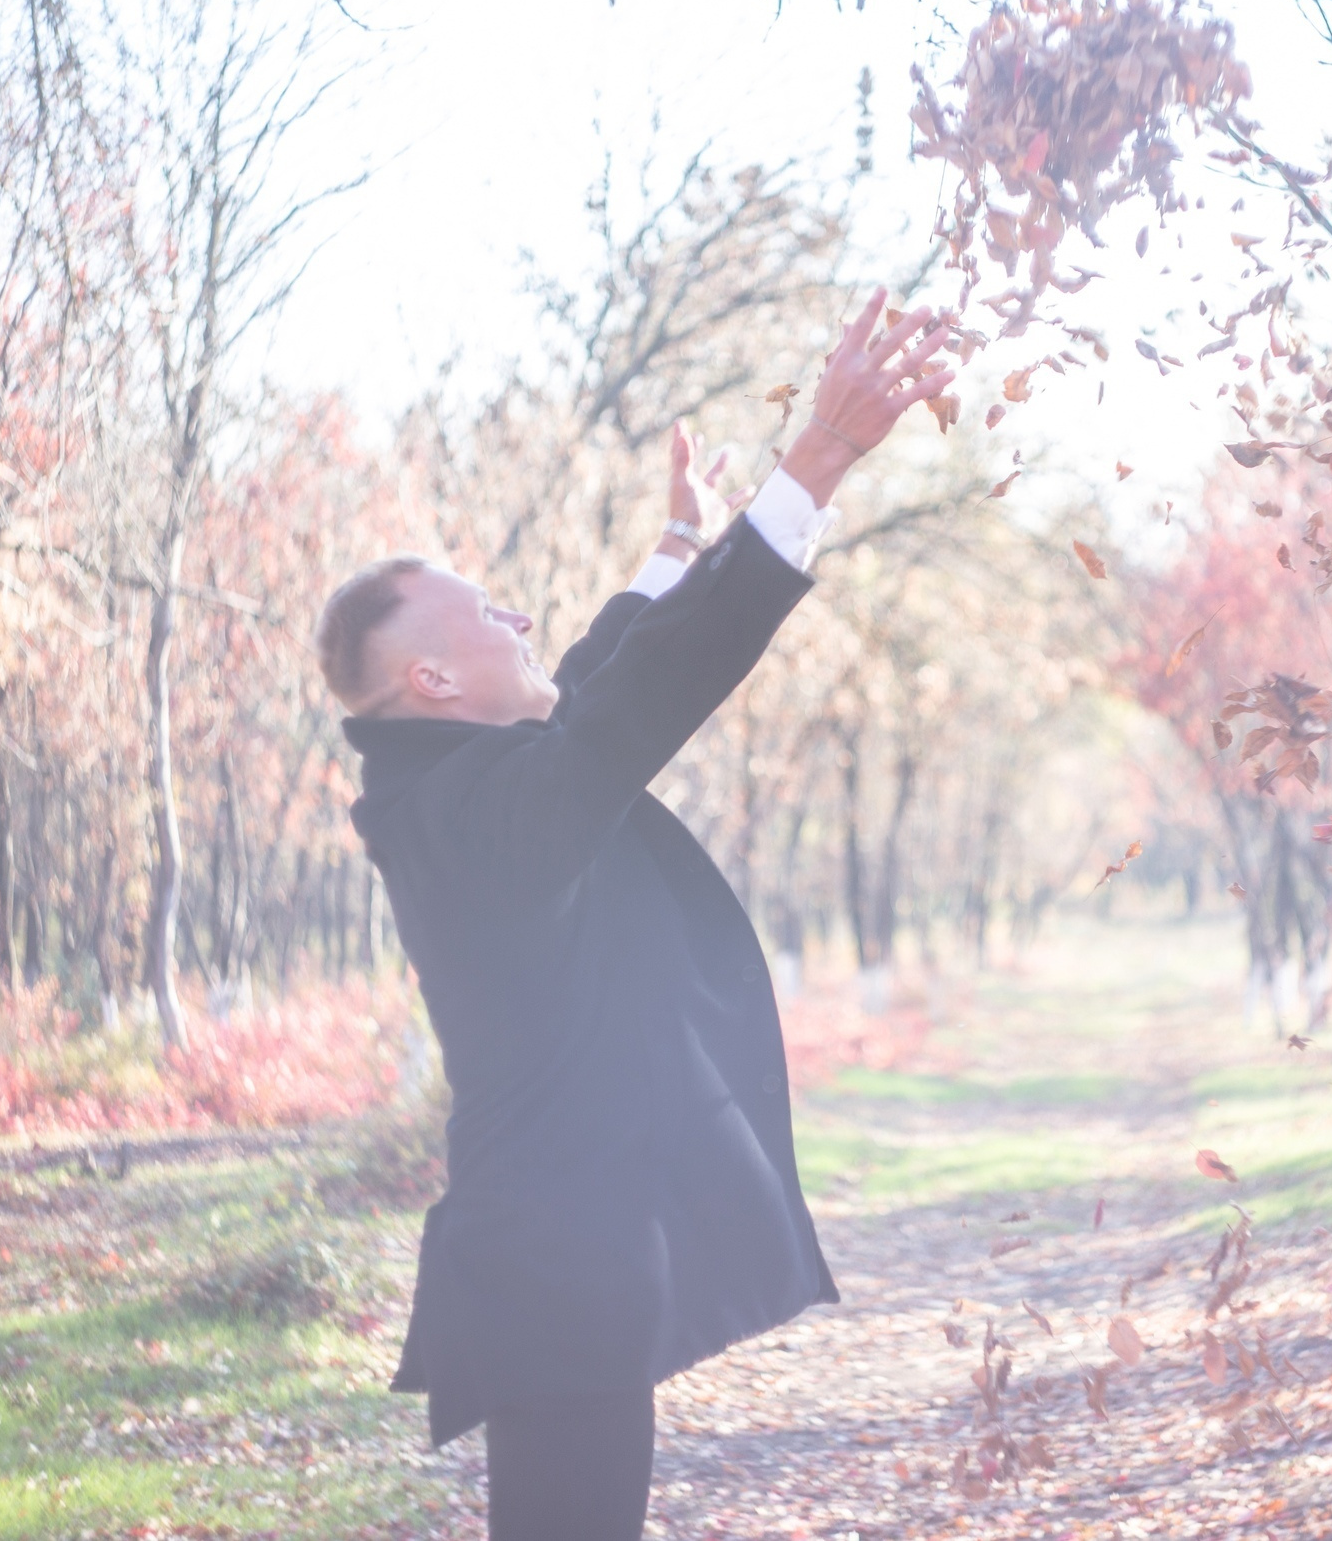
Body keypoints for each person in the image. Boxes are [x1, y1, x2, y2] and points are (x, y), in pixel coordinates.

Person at [315, 290, 952, 1541]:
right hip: (555, 1272)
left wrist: (677, 551)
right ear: (432, 680)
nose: (522, 616)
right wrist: (810, 464)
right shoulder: (470, 823)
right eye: (490, 614)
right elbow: (617, 717)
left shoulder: (452, 791)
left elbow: (594, 684)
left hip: (567, 1264)